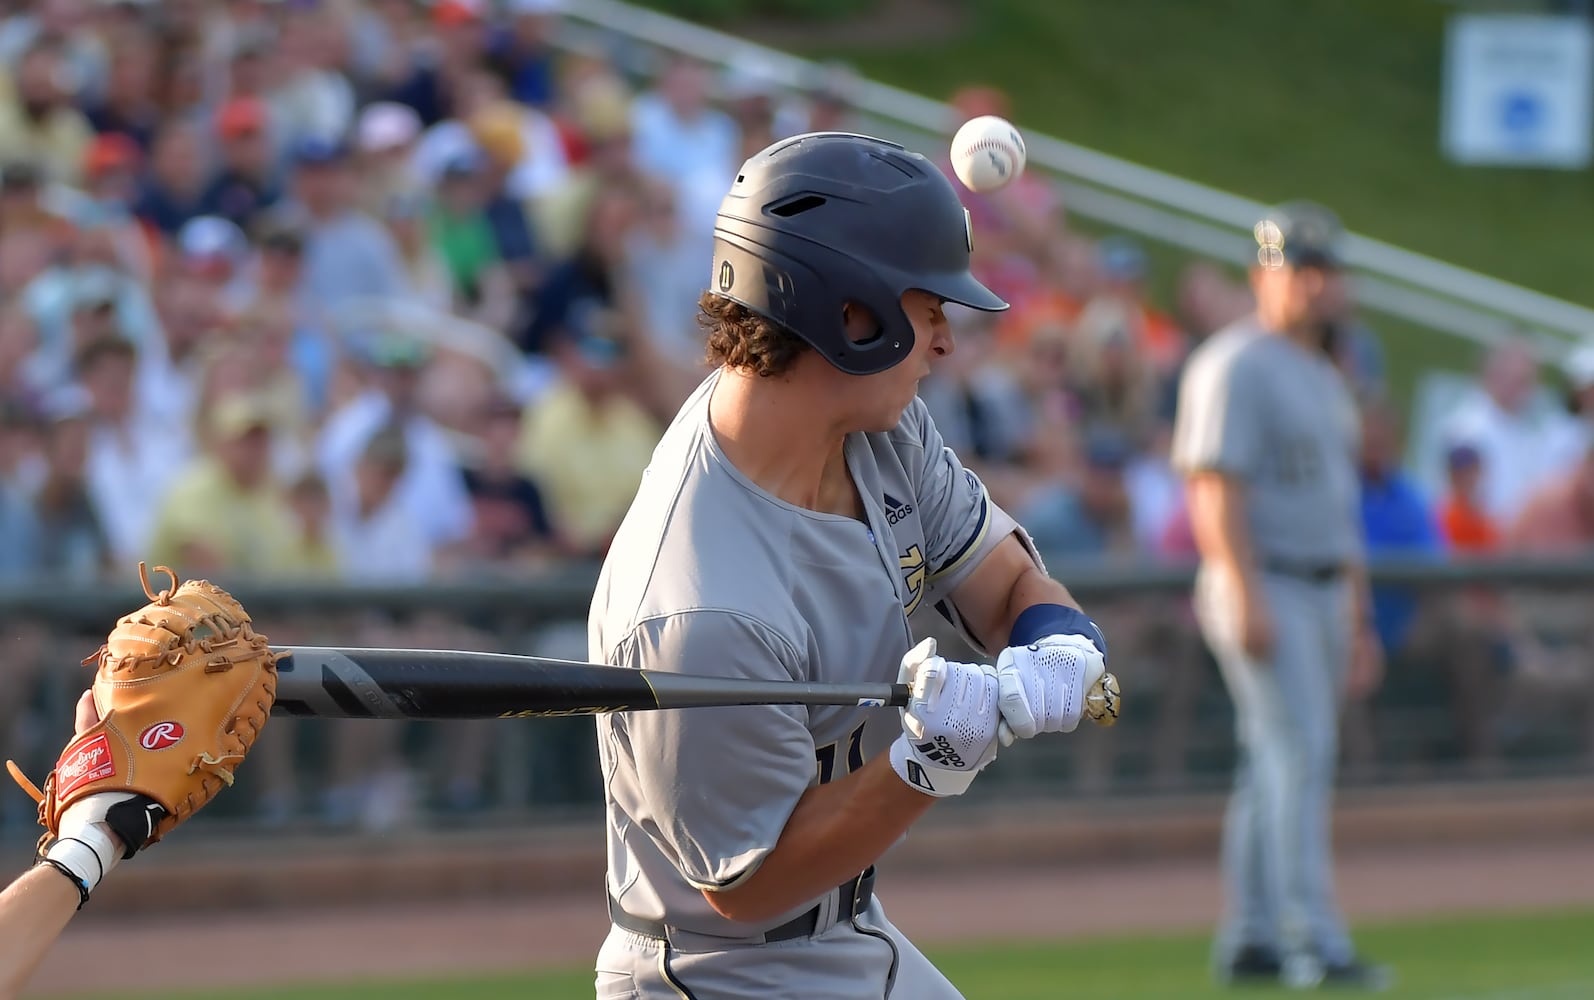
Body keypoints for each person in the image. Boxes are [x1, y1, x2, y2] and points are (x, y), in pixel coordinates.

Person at [587, 132, 1110, 999]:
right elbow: (746, 890)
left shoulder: (879, 430)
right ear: (850, 312)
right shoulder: (701, 606)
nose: (944, 341)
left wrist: (1056, 638)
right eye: (929, 306)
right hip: (717, 975)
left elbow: (1008, 581)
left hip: (848, 932)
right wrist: (927, 764)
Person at [1169, 201, 1391, 991]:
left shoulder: (1327, 370)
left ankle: (1254, 935)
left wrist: (1359, 618)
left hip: (1322, 583)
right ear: (1267, 272)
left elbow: (1341, 508)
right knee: (1299, 757)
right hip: (1268, 582)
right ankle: (1313, 940)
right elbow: (1212, 487)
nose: (1318, 283)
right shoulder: (1236, 362)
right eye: (1302, 268)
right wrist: (1242, 587)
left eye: (1326, 269)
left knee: (1271, 764)